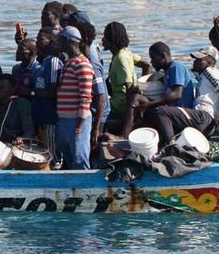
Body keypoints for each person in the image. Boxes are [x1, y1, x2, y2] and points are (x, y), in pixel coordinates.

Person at [54, 27, 95, 169]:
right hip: (65, 119)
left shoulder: (82, 64)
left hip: (77, 120)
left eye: (60, 40)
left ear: (67, 41)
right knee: (69, 157)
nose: (58, 43)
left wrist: (79, 124)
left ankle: (84, 182)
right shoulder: (69, 63)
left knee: (79, 158)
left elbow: (86, 96)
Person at [102, 21, 149, 133]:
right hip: (118, 101)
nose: (102, 40)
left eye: (105, 37)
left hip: (119, 107)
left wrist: (127, 118)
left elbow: (129, 87)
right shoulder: (126, 53)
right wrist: (141, 85)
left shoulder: (121, 58)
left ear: (112, 39)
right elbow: (146, 65)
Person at [0, 75, 35, 143]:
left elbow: (29, 131)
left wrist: (22, 139)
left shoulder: (21, 104)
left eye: (2, 88)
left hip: (13, 145)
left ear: (12, 89)